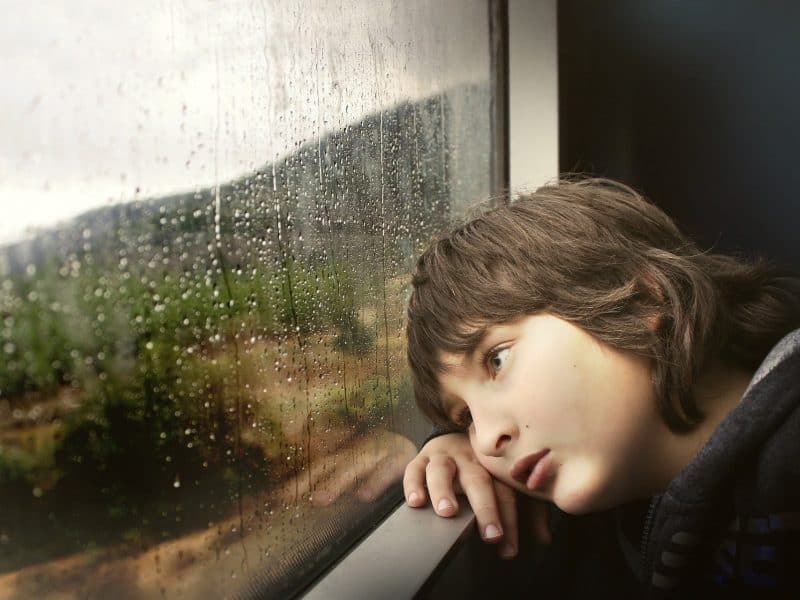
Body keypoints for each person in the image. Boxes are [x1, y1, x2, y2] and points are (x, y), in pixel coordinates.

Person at [402, 177, 800, 597]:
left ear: (641, 297)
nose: (486, 441)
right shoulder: (608, 509)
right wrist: (447, 443)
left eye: (497, 360)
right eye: (465, 416)